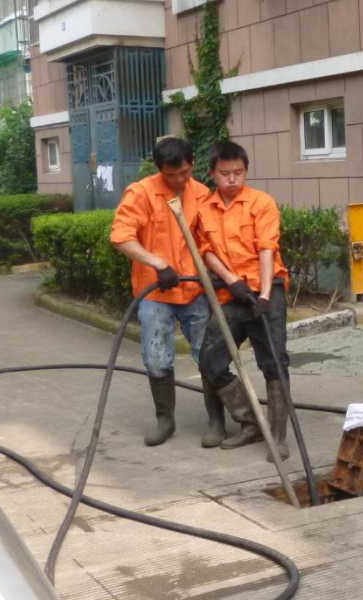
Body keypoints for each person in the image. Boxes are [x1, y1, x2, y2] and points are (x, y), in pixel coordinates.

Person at [111, 137, 224, 448]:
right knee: (156, 357)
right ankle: (165, 419)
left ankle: (216, 420)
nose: (179, 180)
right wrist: (156, 262)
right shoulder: (141, 193)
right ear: (160, 169)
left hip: (194, 290)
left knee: (210, 355)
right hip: (156, 294)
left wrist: (221, 275)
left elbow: (211, 241)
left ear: (192, 165)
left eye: (185, 172)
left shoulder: (200, 194)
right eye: (171, 175)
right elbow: (121, 237)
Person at [196, 140, 292, 461]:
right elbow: (206, 252)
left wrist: (264, 294)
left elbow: (267, 247)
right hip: (232, 293)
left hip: (266, 290)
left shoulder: (261, 203)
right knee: (210, 358)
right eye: (225, 174)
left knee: (274, 362)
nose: (233, 179)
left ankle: (277, 437)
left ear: (246, 171)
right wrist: (232, 282)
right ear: (213, 174)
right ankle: (251, 422)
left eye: (239, 172)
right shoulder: (204, 208)